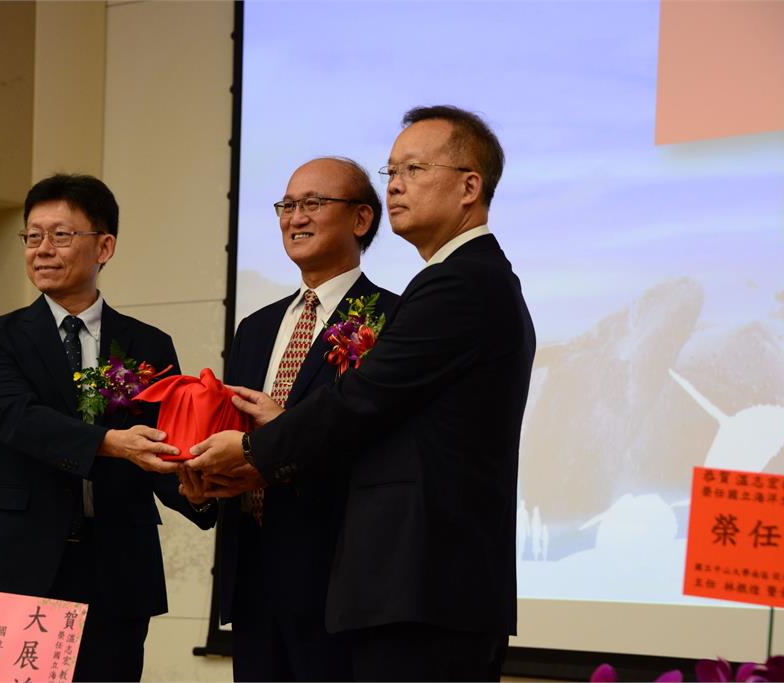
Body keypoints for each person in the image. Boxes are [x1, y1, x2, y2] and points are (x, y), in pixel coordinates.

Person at [190, 106, 536, 681]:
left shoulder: (459, 284)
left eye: (414, 169)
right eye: (391, 170)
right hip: (388, 588)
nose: (396, 184)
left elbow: (363, 399)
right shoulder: (463, 279)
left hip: (424, 585)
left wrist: (257, 451)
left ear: (469, 186)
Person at [0, 174, 217, 682]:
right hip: (21, 565)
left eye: (61, 235)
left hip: (116, 570)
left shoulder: (149, 344)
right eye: (33, 236)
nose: (43, 250)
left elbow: (159, 446)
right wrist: (111, 443)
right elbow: (16, 419)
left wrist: (198, 489)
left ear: (105, 246)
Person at [219, 157, 399, 681]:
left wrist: (285, 435)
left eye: (313, 204)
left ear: (361, 219)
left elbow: (381, 445)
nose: (295, 217)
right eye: (287, 205)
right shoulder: (255, 328)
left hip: (336, 580)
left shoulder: (392, 319)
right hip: (252, 576)